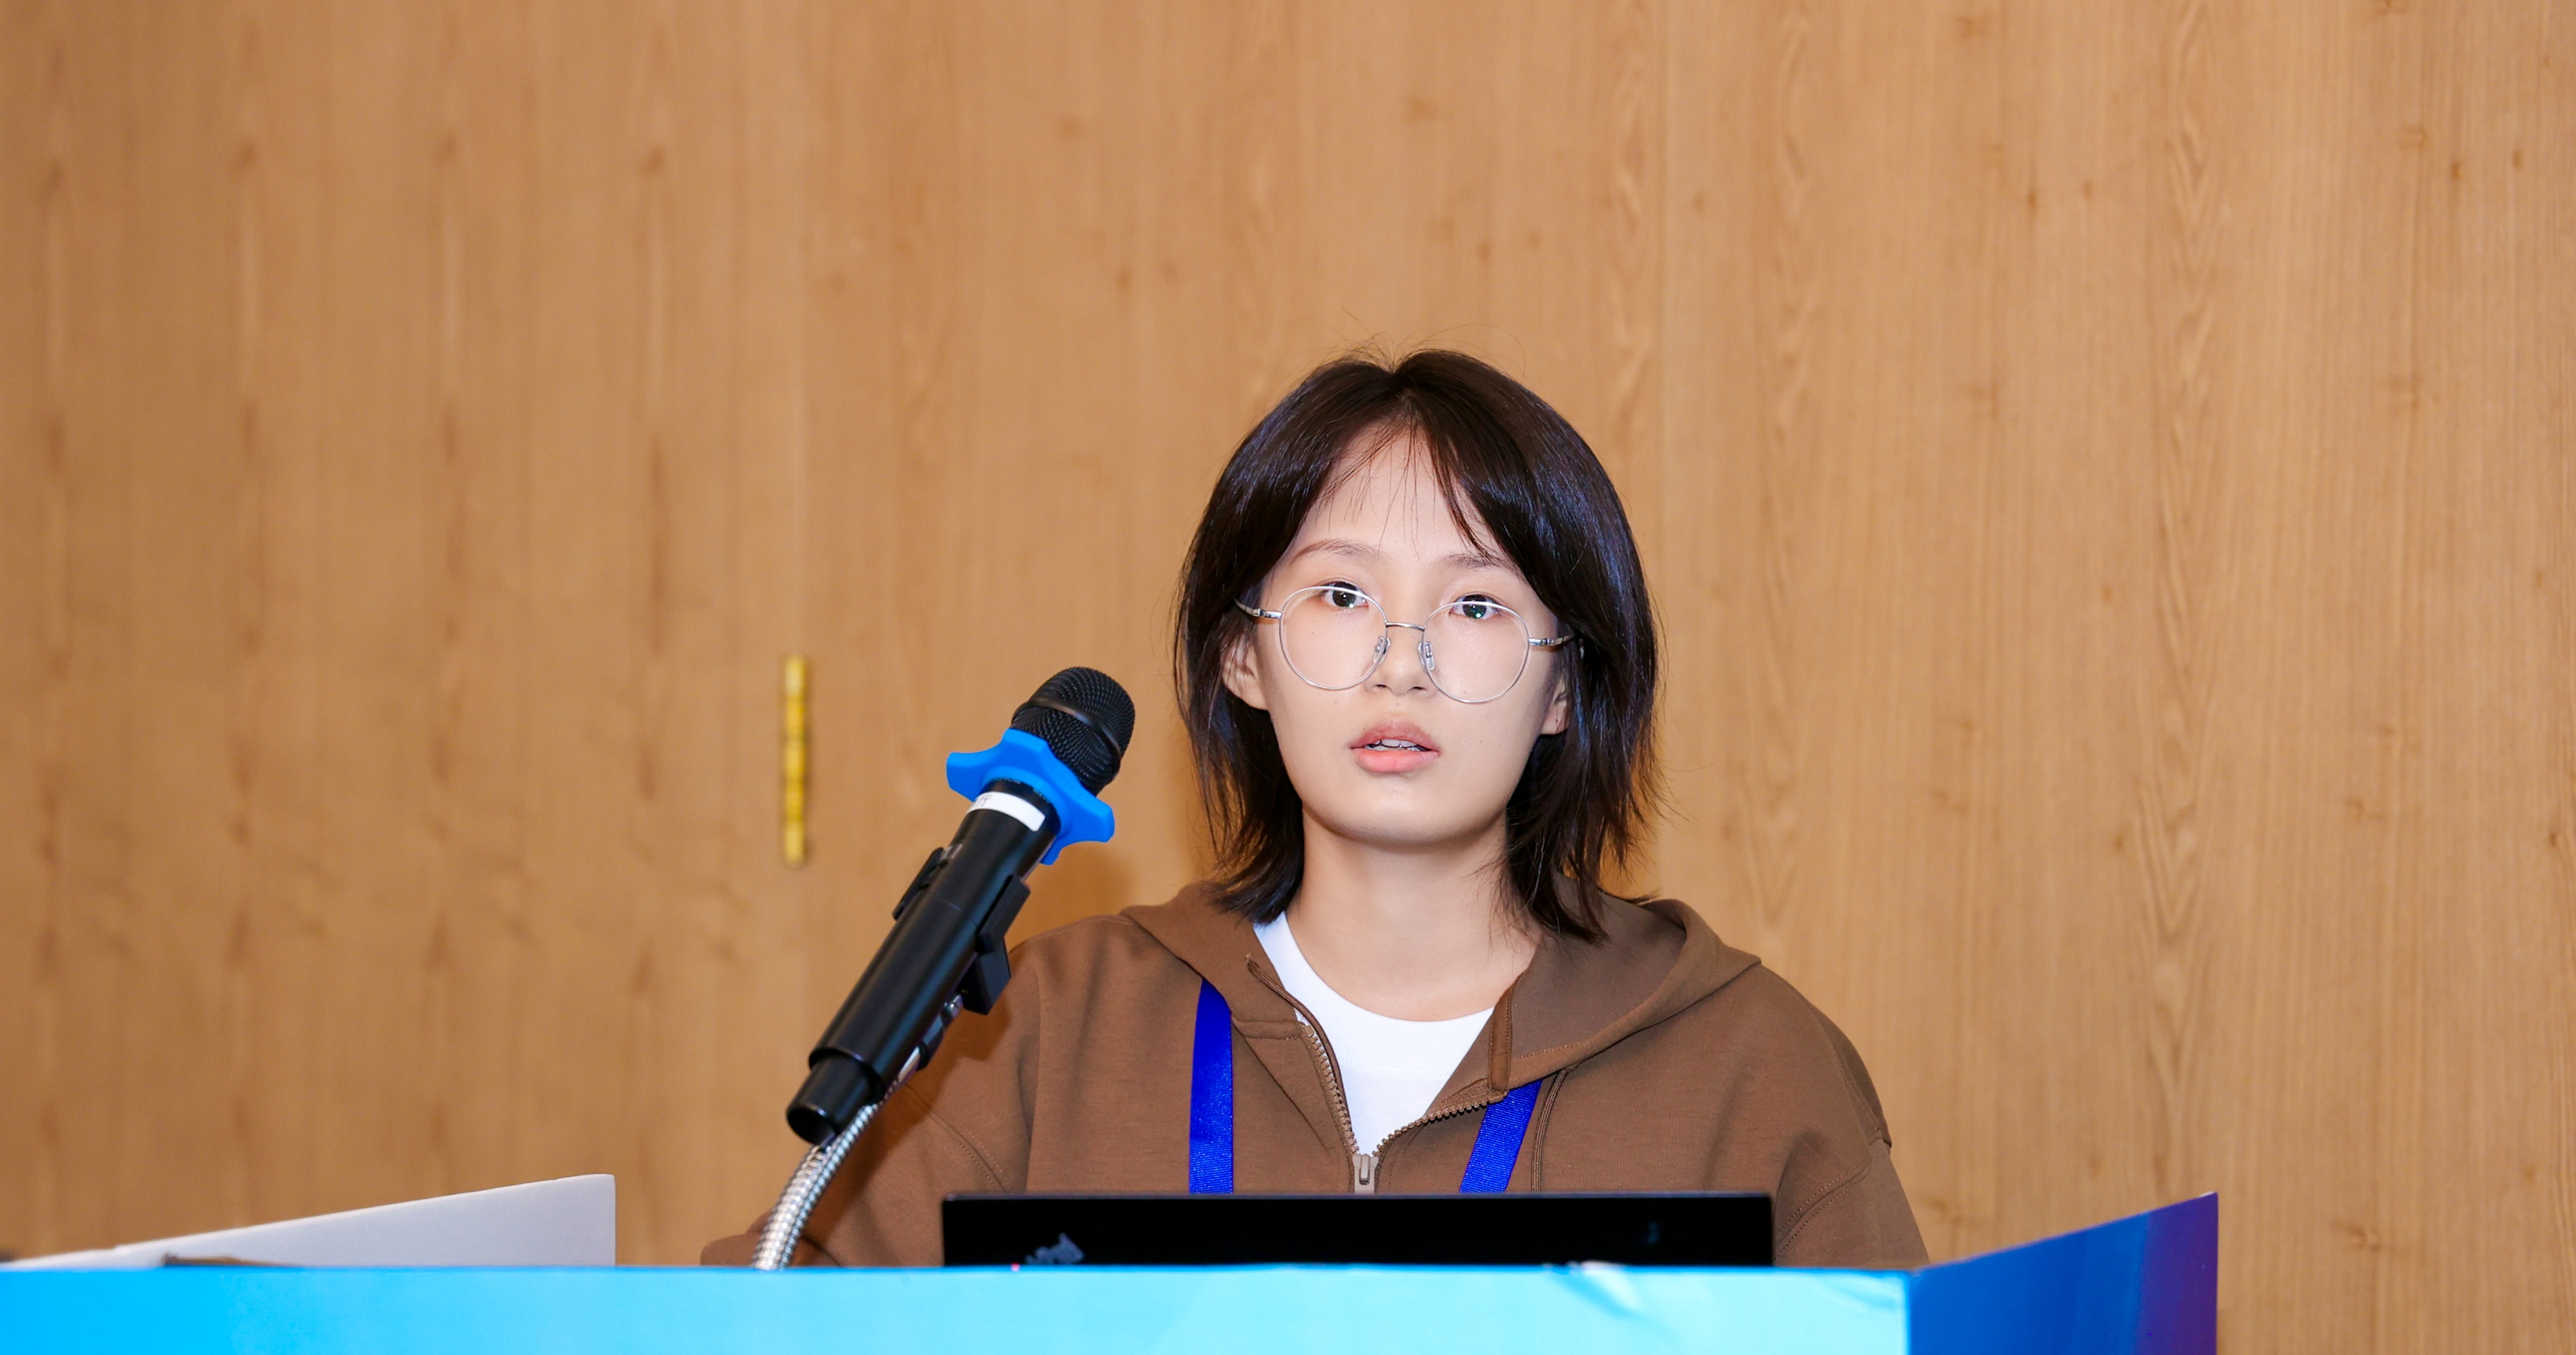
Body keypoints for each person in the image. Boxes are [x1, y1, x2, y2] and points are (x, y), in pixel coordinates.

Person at [703, 350, 1926, 1269]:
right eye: (1341, 596)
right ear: (1244, 658)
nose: (1401, 665)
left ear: (1564, 687)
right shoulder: (1053, 1028)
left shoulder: (1749, 1065)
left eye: (1476, 607)